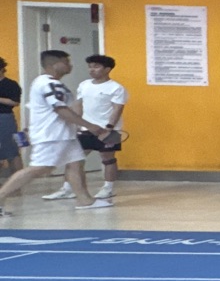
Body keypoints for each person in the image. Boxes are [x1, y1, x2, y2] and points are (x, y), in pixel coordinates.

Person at [0, 50, 113, 214]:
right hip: (52, 135)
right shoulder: (47, 83)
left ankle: (85, 200)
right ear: (55, 64)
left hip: (65, 134)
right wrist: (89, 125)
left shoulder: (54, 84)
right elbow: (60, 109)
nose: (70, 65)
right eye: (66, 62)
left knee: (75, 164)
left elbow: (52, 109)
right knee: (40, 168)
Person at [44, 54, 126, 202]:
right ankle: (67, 189)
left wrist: (109, 128)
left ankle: (108, 188)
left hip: (109, 130)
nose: (92, 70)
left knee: (108, 159)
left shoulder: (116, 88)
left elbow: (117, 109)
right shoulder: (84, 85)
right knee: (73, 158)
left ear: (107, 69)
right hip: (86, 129)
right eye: (90, 66)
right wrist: (75, 123)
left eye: (96, 67)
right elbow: (78, 105)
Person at [0, 57, 22, 181]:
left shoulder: (11, 84)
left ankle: (18, 180)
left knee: (11, 149)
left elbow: (15, 102)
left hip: (5, 118)